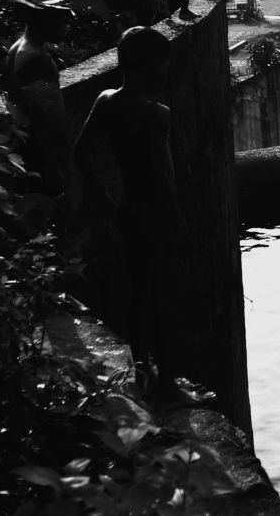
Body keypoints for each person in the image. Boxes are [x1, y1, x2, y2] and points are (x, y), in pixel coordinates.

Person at [74, 26, 181, 398]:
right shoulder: (157, 115)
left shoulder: (106, 102)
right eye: (161, 66)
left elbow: (80, 152)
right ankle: (169, 386)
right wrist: (177, 221)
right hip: (158, 214)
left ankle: (141, 373)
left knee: (138, 296)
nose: (164, 73)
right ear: (147, 68)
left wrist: (104, 197)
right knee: (165, 299)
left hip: (128, 209)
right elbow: (164, 177)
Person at [2, 1, 72, 198]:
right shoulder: (34, 59)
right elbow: (39, 117)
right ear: (43, 21)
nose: (65, 27)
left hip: (28, 148)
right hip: (40, 154)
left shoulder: (16, 50)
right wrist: (51, 163)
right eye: (60, 21)